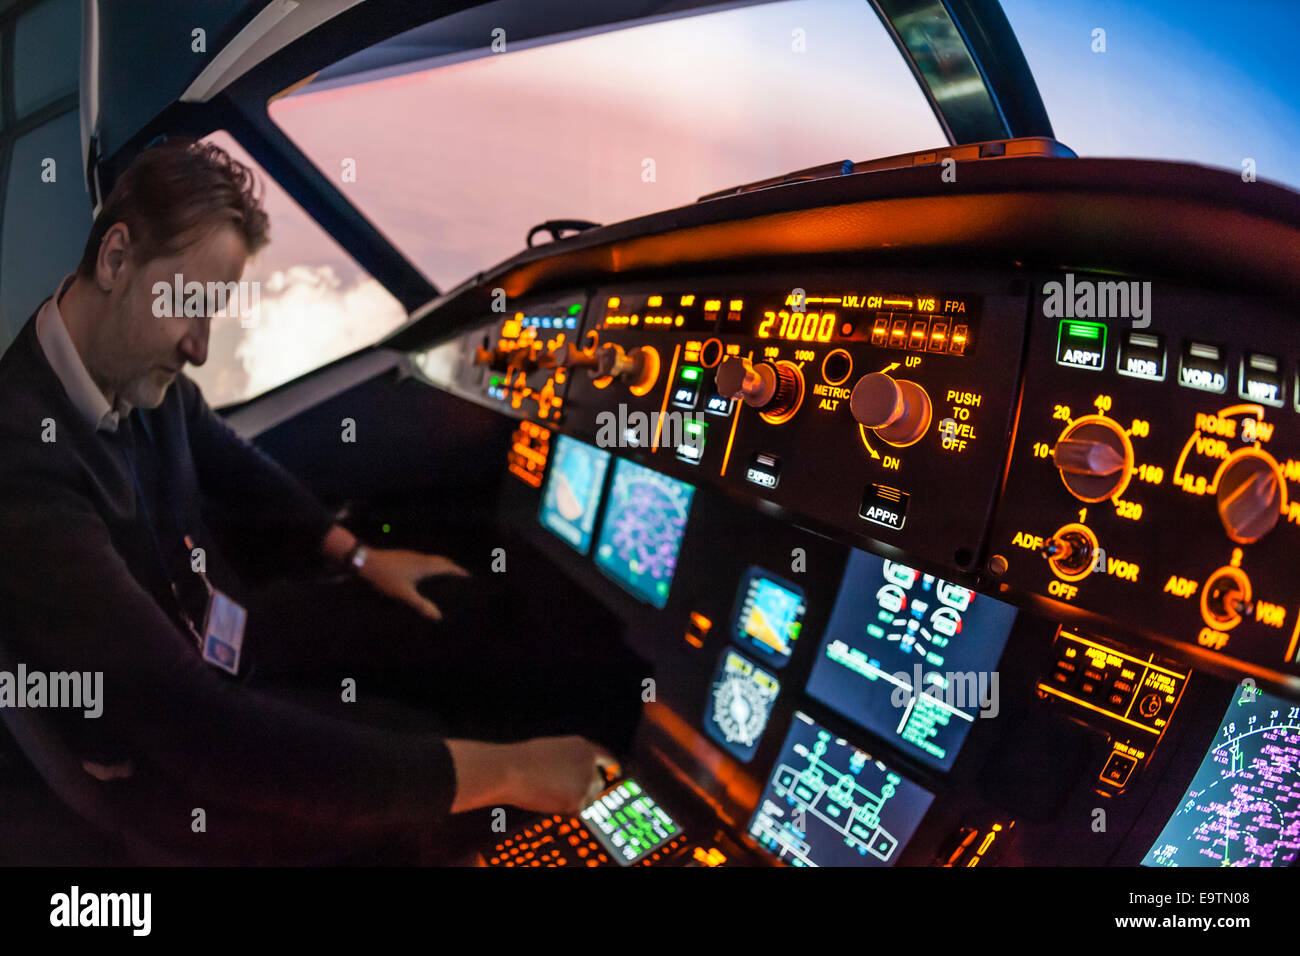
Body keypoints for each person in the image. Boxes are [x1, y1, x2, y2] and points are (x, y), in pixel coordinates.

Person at [0, 138, 641, 863]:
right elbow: (202, 732)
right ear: (116, 259)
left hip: (227, 631)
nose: (201, 349)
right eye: (191, 308)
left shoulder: (133, 367)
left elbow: (225, 455)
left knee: (454, 610)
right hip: (177, 774)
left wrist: (361, 556)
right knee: (430, 785)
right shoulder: (23, 463)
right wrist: (510, 773)